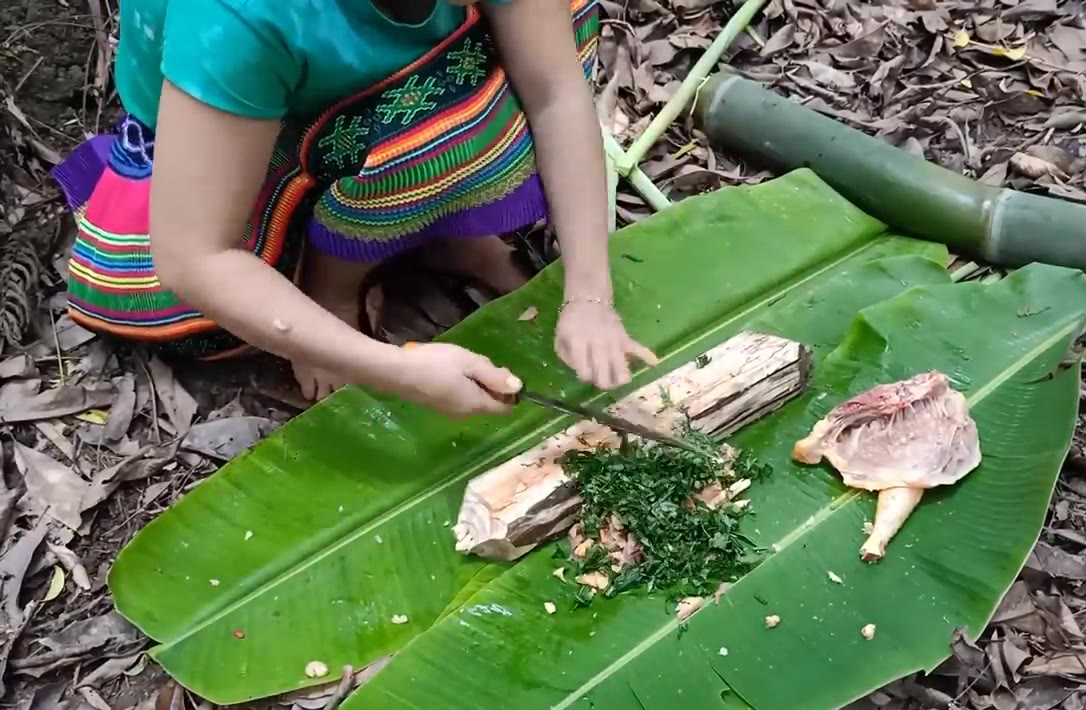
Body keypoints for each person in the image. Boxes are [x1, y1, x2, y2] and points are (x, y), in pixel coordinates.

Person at [52, 0, 658, 418]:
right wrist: (390, 368)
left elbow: (553, 93)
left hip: (366, 90)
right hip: (230, 131)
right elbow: (192, 257)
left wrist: (589, 294)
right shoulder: (237, 16)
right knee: (191, 323)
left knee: (452, 118)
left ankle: (434, 223)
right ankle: (330, 285)